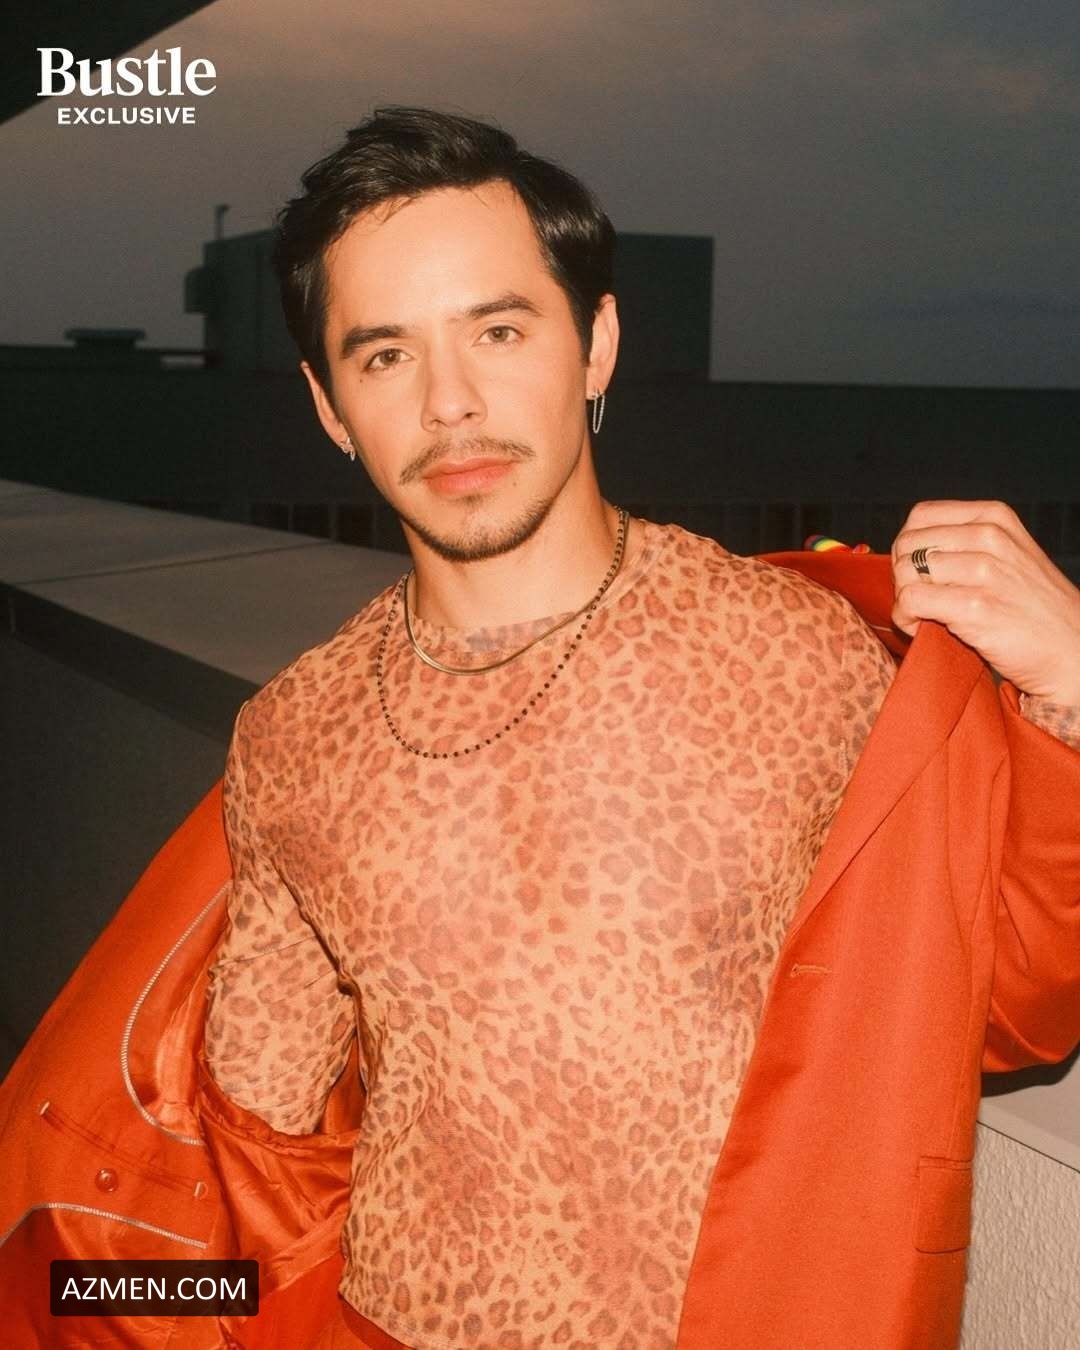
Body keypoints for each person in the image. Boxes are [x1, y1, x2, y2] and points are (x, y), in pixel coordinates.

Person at [192, 106, 1080, 1350]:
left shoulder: (802, 658)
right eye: (385, 355)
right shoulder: (293, 731)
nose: (451, 403)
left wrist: (1069, 689)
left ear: (596, 344)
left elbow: (1010, 1002)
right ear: (329, 404)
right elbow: (260, 1130)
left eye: (499, 330)